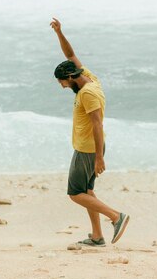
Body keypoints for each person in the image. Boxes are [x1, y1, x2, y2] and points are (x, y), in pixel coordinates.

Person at [49, 17, 130, 246]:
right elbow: (70, 55)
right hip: (90, 147)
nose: (62, 86)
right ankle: (97, 236)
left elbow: (97, 124)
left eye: (63, 82)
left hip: (88, 148)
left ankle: (116, 217)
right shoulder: (89, 79)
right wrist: (59, 33)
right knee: (87, 191)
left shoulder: (87, 93)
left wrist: (98, 158)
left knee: (75, 193)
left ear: (72, 77)